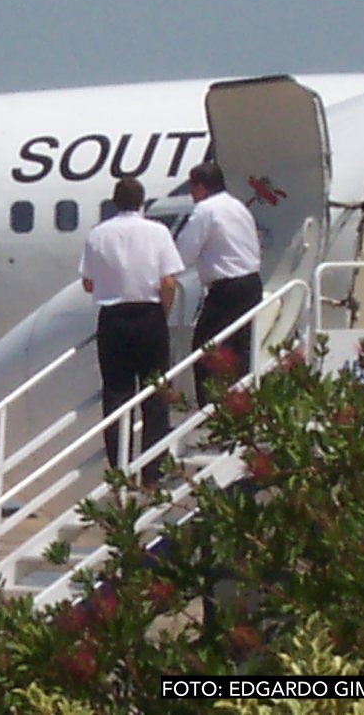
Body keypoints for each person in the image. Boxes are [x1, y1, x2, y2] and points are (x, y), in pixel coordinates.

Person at [80, 177, 184, 485]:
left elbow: (88, 283)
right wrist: (161, 314)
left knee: (116, 396)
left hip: (113, 318)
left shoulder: (98, 234)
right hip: (149, 315)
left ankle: (120, 471)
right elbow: (168, 281)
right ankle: (152, 474)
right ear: (141, 202)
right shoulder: (158, 232)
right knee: (155, 395)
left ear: (115, 201)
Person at [176, 162, 263, 406]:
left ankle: (211, 409)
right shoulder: (237, 206)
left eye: (192, 188)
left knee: (205, 348)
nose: (192, 194)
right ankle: (241, 408)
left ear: (201, 187)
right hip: (251, 282)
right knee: (239, 350)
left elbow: (184, 253)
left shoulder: (205, 210)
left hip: (228, 288)